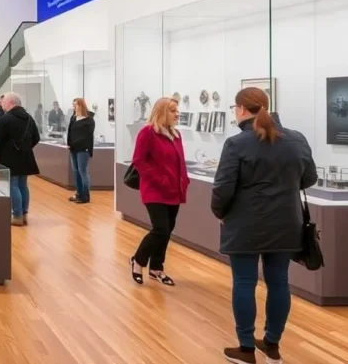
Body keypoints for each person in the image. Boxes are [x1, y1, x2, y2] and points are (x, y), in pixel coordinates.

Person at [212, 88, 318, 364]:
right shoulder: (297, 139)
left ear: (242, 110)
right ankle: (272, 344)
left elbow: (223, 189)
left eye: (235, 108)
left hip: (246, 225)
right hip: (286, 223)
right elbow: (309, 179)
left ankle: (246, 348)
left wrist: (220, 212)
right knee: (279, 282)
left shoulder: (237, 144)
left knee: (245, 282)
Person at [129, 96, 188, 287]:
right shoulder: (147, 132)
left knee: (167, 230)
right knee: (160, 229)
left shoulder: (176, 135)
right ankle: (138, 260)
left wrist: (184, 181)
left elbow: (180, 161)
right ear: (161, 111)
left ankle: (156, 267)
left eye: (177, 110)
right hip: (155, 190)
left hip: (174, 191)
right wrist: (160, 179)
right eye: (172, 110)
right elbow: (139, 160)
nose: (177, 114)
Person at [0, 93, 40, 226]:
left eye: (3, 102)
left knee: (13, 185)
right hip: (25, 156)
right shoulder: (29, 118)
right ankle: (24, 214)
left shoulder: (6, 118)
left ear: (11, 103)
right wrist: (26, 147)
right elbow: (36, 137)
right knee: (23, 185)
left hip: (9, 157)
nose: (2, 104)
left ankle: (16, 216)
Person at [67, 98, 96, 204]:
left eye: (75, 105)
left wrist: (74, 144)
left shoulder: (89, 120)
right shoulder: (73, 118)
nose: (73, 107)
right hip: (73, 149)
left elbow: (86, 137)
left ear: (81, 106)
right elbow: (70, 131)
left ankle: (85, 196)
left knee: (82, 171)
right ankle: (78, 193)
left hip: (83, 149)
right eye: (73, 104)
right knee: (76, 171)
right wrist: (69, 144)